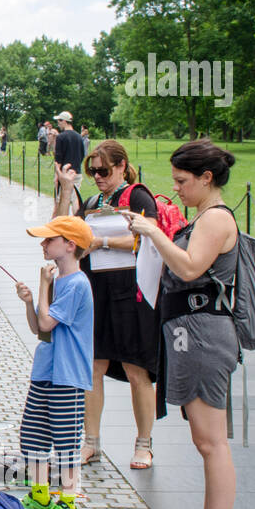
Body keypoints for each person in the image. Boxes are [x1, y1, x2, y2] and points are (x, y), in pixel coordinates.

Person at [126, 140, 240, 509]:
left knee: (212, 442)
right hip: (191, 333)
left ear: (206, 178)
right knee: (204, 438)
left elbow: (190, 267)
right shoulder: (206, 217)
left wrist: (154, 232)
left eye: (181, 182)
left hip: (204, 334)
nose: (176, 191)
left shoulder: (214, 219)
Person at [54, 141, 160, 469]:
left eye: (103, 170)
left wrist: (102, 242)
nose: (98, 176)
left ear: (120, 166)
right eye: (92, 171)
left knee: (135, 368)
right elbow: (60, 230)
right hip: (97, 290)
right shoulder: (92, 201)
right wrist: (66, 190)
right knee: (93, 367)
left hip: (132, 291)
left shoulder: (138, 196)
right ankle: (91, 442)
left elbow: (150, 237)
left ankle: (144, 444)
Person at [12, 215, 94, 509]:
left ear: (70, 245)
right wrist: (31, 301)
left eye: (49, 240)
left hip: (68, 375)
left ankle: (69, 505)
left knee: (66, 444)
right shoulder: (60, 281)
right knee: (33, 436)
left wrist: (44, 287)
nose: (43, 244)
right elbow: (40, 330)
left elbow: (47, 324)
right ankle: (41, 496)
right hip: (45, 371)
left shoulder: (75, 284)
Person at [53, 112, 83, 196]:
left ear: (64, 121)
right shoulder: (79, 137)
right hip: (76, 172)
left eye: (59, 121)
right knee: (75, 199)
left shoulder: (61, 137)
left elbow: (58, 158)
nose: (58, 124)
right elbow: (82, 154)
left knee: (61, 199)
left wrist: (56, 175)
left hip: (64, 174)